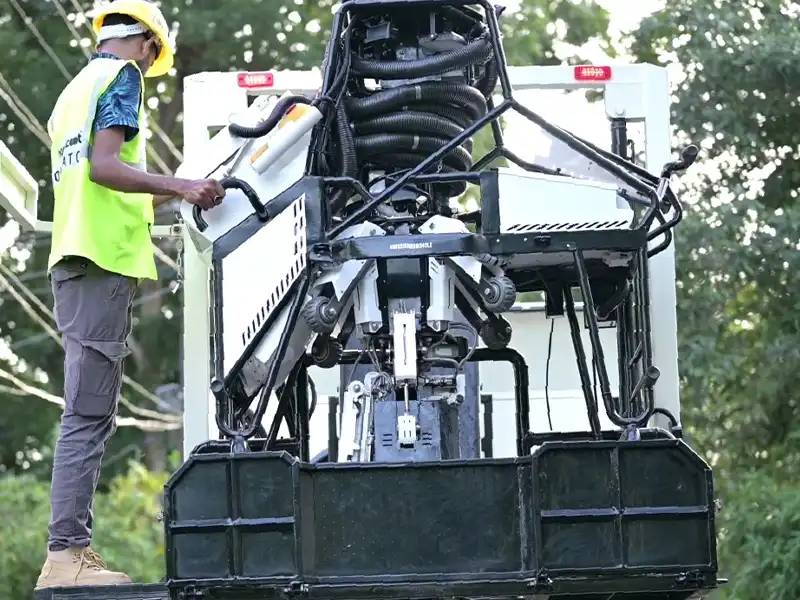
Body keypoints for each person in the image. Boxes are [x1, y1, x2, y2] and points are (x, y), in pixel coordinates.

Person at [35, 0, 224, 590]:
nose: (149, 63)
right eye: (152, 53)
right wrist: (185, 184)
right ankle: (66, 556)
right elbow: (105, 167)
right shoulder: (121, 79)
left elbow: (101, 176)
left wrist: (171, 192)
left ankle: (68, 553)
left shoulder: (73, 91)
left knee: (88, 412)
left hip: (76, 258)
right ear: (143, 43)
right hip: (99, 260)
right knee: (88, 415)